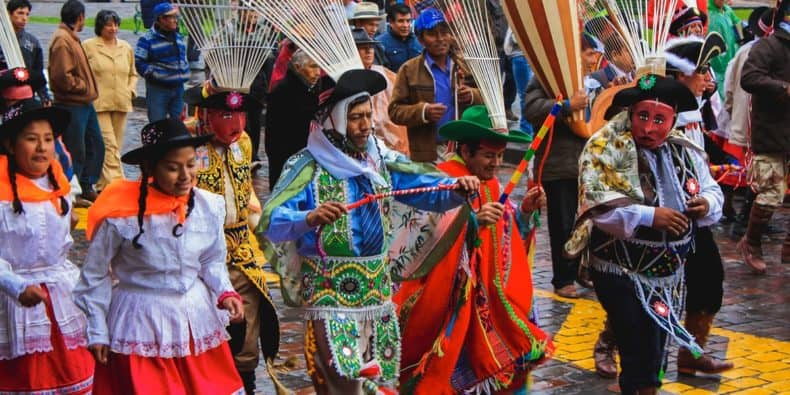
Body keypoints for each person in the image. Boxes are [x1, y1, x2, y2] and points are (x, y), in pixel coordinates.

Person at [256, 69, 480, 394]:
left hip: (376, 293)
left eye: (368, 116)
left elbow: (421, 185)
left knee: (373, 382)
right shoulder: (307, 166)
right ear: (334, 120)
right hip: (331, 295)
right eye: (356, 118)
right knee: (345, 383)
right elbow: (271, 219)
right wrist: (309, 217)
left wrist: (455, 187)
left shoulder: (379, 161)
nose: (366, 125)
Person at [566, 74, 722, 395]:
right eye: (643, 117)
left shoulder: (685, 150)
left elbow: (711, 189)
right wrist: (652, 216)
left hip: (667, 272)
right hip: (619, 267)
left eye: (659, 120)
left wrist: (705, 203)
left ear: (673, 120)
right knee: (636, 343)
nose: (649, 128)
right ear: (632, 113)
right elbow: (600, 207)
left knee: (655, 346)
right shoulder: (605, 148)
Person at [73, 118, 245, 394]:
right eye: (172, 168)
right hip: (140, 325)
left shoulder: (207, 206)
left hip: (195, 323)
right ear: (150, 168)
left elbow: (211, 259)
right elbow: (94, 275)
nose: (185, 176)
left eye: (190, 164)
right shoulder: (122, 215)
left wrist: (225, 292)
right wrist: (97, 329)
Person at [394, 105, 554, 393]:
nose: (496, 163)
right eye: (489, 155)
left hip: (487, 300)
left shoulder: (490, 183)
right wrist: (470, 223)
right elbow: (421, 236)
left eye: (501, 156)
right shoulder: (442, 180)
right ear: (466, 152)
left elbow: (505, 234)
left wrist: (524, 214)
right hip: (449, 300)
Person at [183, 85, 281, 394]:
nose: (236, 123)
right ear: (207, 115)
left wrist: (262, 227)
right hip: (199, 252)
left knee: (247, 327)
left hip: (241, 250)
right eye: (226, 114)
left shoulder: (246, 144)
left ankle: (246, 384)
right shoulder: (191, 148)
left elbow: (244, 190)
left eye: (241, 113)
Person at [0, 99, 94, 394]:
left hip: (59, 298)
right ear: (10, 144)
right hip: (13, 301)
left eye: (48, 139)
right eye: (31, 139)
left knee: (73, 375)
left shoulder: (57, 186)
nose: (41, 148)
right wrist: (15, 285)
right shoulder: (2, 195)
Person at [664, 32, 733, 375]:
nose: (708, 77)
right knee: (647, 291)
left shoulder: (693, 115)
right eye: (701, 70)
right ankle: (614, 348)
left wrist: (706, 201)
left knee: (708, 282)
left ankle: (691, 353)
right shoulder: (654, 118)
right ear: (678, 75)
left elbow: (701, 173)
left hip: (692, 220)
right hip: (656, 222)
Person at [523, 72, 589, 299]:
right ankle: (563, 278)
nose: (592, 59)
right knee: (562, 225)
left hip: (587, 165)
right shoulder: (546, 75)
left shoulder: (595, 78)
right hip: (559, 165)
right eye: (588, 53)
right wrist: (568, 105)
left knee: (588, 223)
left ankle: (581, 268)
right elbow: (532, 110)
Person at [389, 7, 481, 162]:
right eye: (432, 33)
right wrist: (423, 112)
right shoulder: (409, 70)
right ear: (421, 39)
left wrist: (472, 95)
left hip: (464, 149)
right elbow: (394, 111)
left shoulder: (465, 66)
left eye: (444, 32)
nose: (440, 38)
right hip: (428, 153)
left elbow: (490, 98)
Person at [738, 0, 790, 272]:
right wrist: (783, 89)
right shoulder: (768, 46)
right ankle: (752, 242)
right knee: (770, 194)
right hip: (771, 131)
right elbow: (749, 78)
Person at [48, 0, 103, 204]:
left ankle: (86, 184)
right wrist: (83, 86)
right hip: (72, 103)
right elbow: (63, 77)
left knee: (95, 144)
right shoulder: (63, 40)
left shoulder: (71, 37)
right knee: (76, 148)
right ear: (79, 17)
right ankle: (71, 189)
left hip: (84, 103)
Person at [83, 10, 138, 192]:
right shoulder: (89, 46)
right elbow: (82, 72)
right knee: (108, 145)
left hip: (121, 101)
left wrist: (130, 89)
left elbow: (133, 73)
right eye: (109, 25)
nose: (113, 28)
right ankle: (117, 184)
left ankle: (102, 183)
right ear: (100, 26)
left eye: (116, 24)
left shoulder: (126, 47)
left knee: (115, 146)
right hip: (99, 103)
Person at [264, 49, 332, 190]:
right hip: (289, 162)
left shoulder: (312, 89)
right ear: (297, 67)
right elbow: (276, 139)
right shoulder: (283, 92)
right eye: (313, 67)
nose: (318, 72)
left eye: (319, 67)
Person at [354, 27, 409, 155]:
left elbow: (402, 105)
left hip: (394, 146)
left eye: (371, 47)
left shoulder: (384, 73)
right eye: (362, 47)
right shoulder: (344, 78)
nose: (369, 51)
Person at [135, 2, 190, 122]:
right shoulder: (147, 39)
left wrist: (185, 71)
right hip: (158, 89)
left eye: (176, 16)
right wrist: (153, 74)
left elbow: (183, 57)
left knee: (180, 125)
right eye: (172, 17)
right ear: (161, 19)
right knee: (157, 124)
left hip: (179, 88)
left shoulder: (178, 36)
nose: (175, 20)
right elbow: (139, 62)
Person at [5, 0, 51, 105]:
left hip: (25, 97)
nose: (24, 18)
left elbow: (38, 73)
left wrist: (44, 97)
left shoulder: (32, 42)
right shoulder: (3, 41)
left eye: (27, 14)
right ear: (9, 14)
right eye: (20, 13)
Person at [376, 3, 422, 72]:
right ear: (391, 22)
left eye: (408, 21)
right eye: (401, 21)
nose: (405, 25)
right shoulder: (380, 44)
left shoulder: (419, 41)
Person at [708, 0, 741, 95]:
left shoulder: (727, 10)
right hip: (719, 67)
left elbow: (737, 23)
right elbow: (713, 46)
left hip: (732, 59)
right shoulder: (710, 15)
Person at [349, 2, 390, 69]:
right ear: (358, 23)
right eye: (370, 24)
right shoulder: (347, 46)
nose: (374, 29)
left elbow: (384, 68)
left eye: (377, 25)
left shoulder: (377, 46)